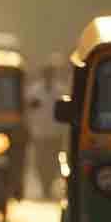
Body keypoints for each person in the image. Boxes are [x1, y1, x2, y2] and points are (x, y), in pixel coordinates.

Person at [25, 59, 66, 200]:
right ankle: (44, 186)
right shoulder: (34, 91)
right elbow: (28, 111)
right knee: (40, 162)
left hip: (55, 133)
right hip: (39, 133)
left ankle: (49, 185)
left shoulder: (60, 91)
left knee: (53, 162)